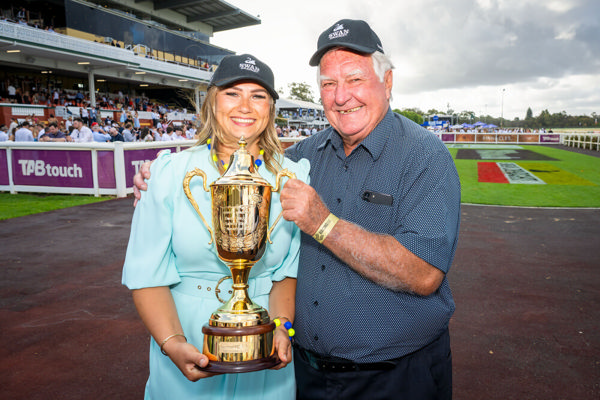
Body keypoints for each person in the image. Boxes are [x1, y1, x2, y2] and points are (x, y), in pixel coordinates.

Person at [133, 20, 461, 400]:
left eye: (355, 80)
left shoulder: (424, 155)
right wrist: (152, 179)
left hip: (397, 376)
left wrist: (322, 223)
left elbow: (424, 275)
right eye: (328, 84)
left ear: (387, 83)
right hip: (303, 373)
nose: (341, 96)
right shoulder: (300, 161)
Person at [122, 53, 310, 399]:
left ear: (270, 108)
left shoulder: (294, 176)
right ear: (211, 101)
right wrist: (173, 343)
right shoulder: (168, 172)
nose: (245, 105)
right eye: (232, 93)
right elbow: (146, 274)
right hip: (187, 332)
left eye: (258, 95)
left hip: (265, 343)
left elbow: (286, 272)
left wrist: (282, 327)